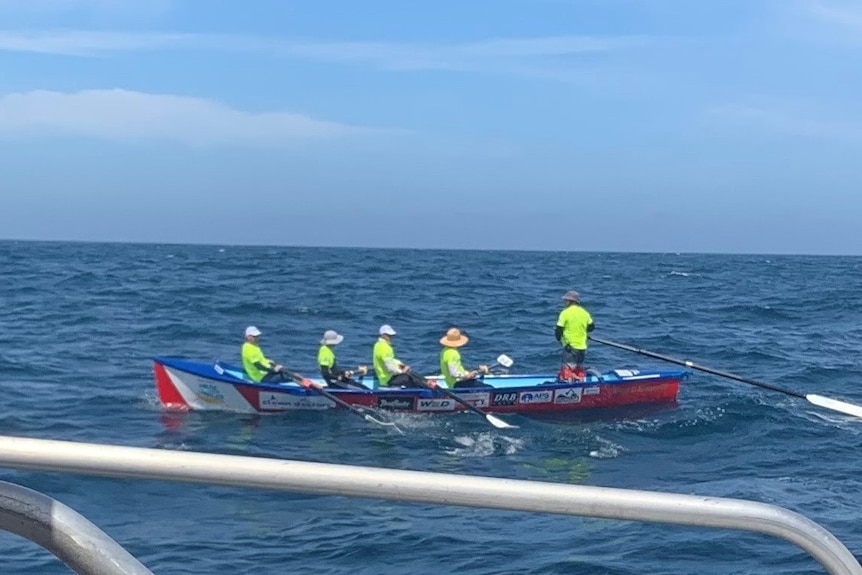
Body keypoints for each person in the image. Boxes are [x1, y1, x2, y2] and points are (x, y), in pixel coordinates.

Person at [555, 291, 595, 381]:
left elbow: (559, 329)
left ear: (570, 301)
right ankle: (580, 384)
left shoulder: (565, 313)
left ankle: (567, 386)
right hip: (582, 346)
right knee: (579, 368)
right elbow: (592, 327)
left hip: (570, 346)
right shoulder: (584, 313)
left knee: (568, 369)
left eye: (565, 300)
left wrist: (559, 339)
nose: (564, 302)